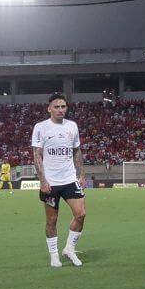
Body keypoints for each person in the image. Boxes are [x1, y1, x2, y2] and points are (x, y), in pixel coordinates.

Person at [31, 94, 86, 267]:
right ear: (49, 108)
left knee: (81, 214)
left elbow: (77, 151)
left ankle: (69, 248)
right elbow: (37, 155)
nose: (61, 110)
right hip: (51, 182)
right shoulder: (41, 127)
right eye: (57, 107)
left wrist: (81, 174)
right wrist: (42, 180)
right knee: (51, 221)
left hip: (70, 179)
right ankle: (54, 255)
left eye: (63, 106)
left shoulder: (72, 126)